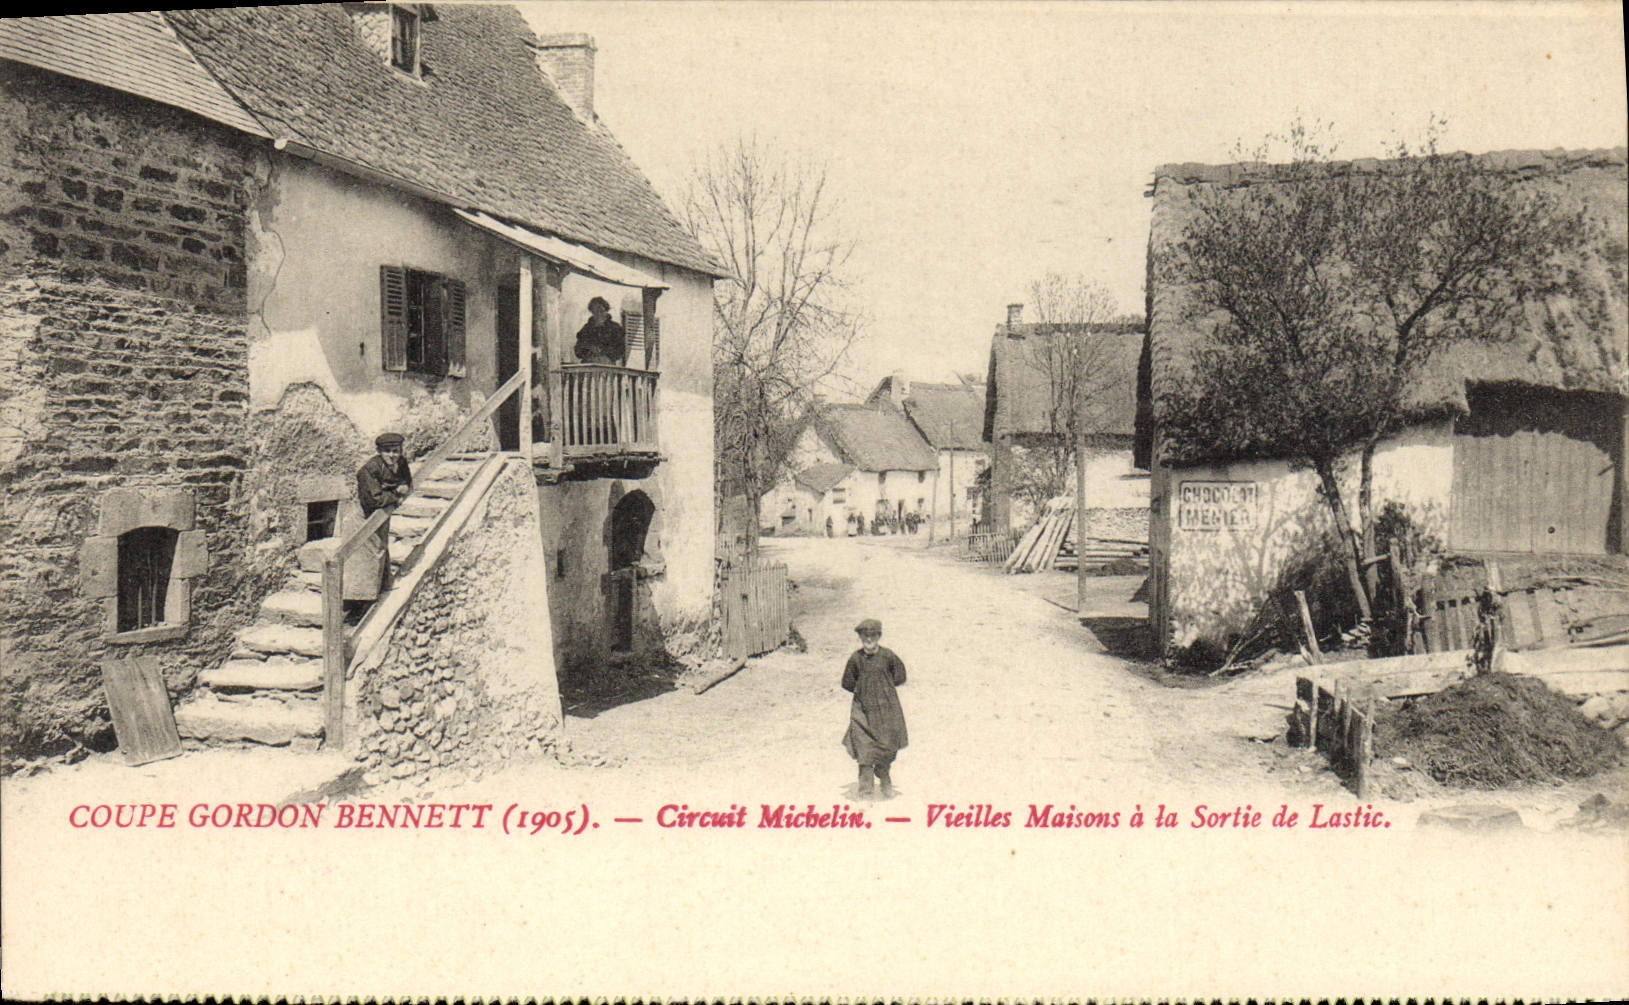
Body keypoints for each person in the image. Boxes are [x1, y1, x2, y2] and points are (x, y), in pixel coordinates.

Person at [841, 618, 907, 799]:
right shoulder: (855, 659)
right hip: (862, 711)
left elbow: (900, 677)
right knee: (865, 751)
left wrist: (883, 689)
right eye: (864, 636)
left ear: (879, 636)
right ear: (860, 638)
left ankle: (885, 780)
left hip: (886, 710)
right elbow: (847, 682)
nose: (868, 640)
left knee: (887, 747)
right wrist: (865, 691)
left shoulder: (888, 657)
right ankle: (865, 793)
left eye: (872, 636)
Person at [349, 432, 412, 601]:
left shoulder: (401, 463)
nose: (392, 455)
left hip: (382, 512)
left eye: (396, 451)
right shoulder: (369, 469)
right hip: (363, 513)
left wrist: (403, 486)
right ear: (379, 452)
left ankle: (382, 585)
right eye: (388, 451)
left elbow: (406, 481)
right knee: (368, 552)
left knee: (381, 546)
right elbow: (375, 499)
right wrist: (396, 495)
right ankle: (360, 598)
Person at [573, 296, 626, 365]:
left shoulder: (615, 328)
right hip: (589, 366)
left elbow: (620, 349)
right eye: (595, 311)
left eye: (601, 310)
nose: (598, 314)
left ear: (606, 310)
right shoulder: (587, 329)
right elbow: (578, 350)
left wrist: (603, 351)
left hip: (607, 366)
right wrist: (589, 347)